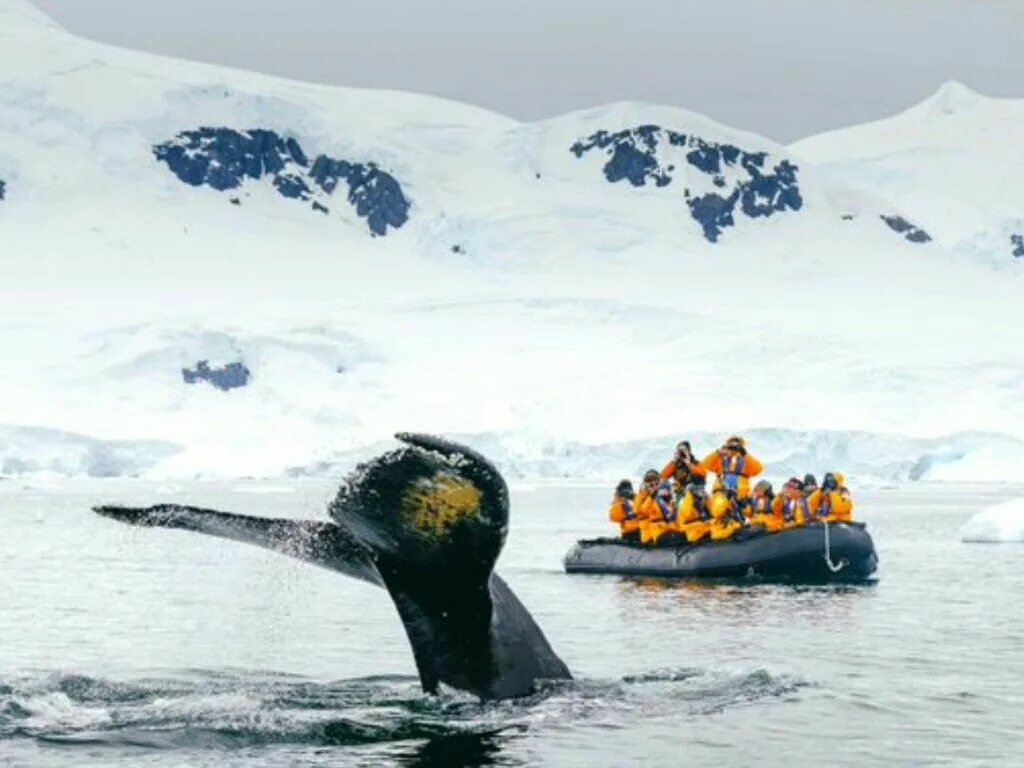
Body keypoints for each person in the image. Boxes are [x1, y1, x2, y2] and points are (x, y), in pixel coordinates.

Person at [699, 436, 764, 525]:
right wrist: (718, 452)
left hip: (740, 495)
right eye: (730, 446)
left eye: (736, 446)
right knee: (718, 509)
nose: (733, 449)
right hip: (722, 493)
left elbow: (759, 469)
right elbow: (705, 464)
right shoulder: (720, 460)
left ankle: (742, 525)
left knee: (749, 510)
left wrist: (745, 454)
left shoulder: (746, 460)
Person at [635, 469, 677, 544]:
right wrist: (651, 496)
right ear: (646, 485)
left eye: (657, 484)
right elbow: (642, 510)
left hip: (667, 529)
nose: (654, 486)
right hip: (653, 533)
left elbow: (672, 516)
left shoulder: (662, 497)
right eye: (651, 484)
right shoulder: (644, 497)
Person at [674, 477, 713, 543]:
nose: (703, 490)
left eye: (703, 488)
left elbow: (713, 513)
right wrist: (689, 495)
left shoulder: (700, 501)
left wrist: (708, 498)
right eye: (700, 488)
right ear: (693, 491)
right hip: (689, 531)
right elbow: (687, 514)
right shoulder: (684, 501)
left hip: (699, 528)